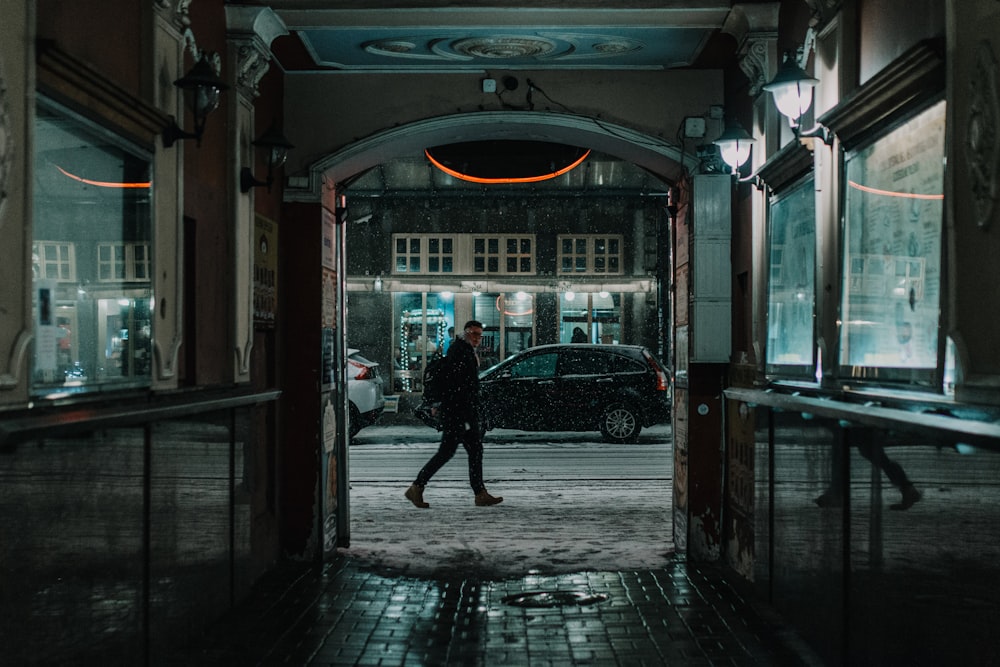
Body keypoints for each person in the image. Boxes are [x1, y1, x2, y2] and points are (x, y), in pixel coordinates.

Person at [405, 320, 503, 509]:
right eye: (474, 334)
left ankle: (479, 492)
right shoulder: (460, 352)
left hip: (461, 411)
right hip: (458, 412)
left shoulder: (464, 351)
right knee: (449, 452)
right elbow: (459, 385)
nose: (477, 338)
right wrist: (466, 411)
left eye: (479, 335)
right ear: (465, 333)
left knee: (473, 450)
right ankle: (417, 486)